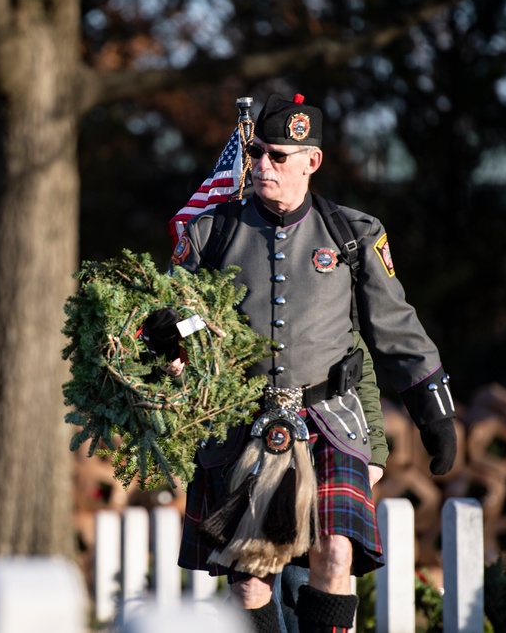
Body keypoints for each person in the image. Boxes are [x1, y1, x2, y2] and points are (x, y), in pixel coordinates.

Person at [167, 93, 457, 633]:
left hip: (330, 419)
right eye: (256, 153)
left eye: (279, 156)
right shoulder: (211, 234)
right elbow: (177, 320)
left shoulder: (351, 234)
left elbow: (393, 326)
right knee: (249, 577)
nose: (262, 166)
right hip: (239, 422)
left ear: (311, 161)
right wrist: (171, 347)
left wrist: (434, 410)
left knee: (335, 555)